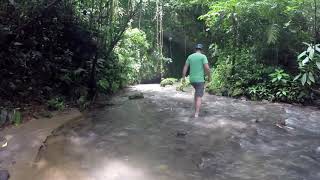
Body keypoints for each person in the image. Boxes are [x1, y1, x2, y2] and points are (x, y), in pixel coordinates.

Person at [182, 44, 211, 118]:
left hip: (192, 80)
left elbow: (185, 67)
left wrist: (183, 77)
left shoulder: (190, 56)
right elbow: (207, 68)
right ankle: (196, 114)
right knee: (199, 97)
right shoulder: (203, 56)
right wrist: (209, 77)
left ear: (195, 49)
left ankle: (195, 109)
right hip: (200, 80)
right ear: (201, 50)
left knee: (196, 93)